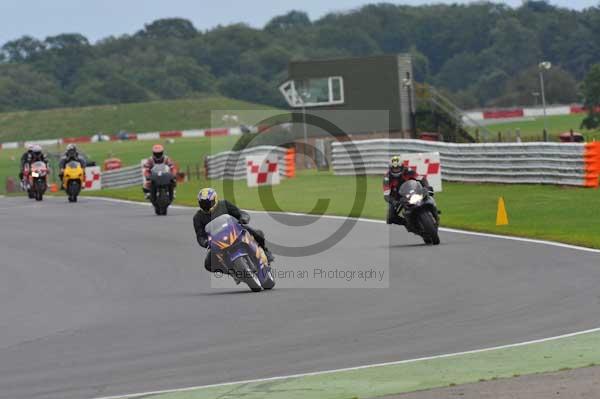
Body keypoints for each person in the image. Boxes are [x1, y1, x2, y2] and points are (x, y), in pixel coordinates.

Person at [193, 188, 274, 280]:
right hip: (217, 242)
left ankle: (266, 253)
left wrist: (243, 218)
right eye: (203, 204)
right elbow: (200, 236)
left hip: (235, 231)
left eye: (208, 203)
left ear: (215, 199)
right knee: (208, 264)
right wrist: (205, 242)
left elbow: (239, 213)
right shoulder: (198, 218)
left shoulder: (224, 204)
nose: (206, 206)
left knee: (257, 233)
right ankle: (233, 272)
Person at [383, 155, 433, 226]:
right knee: (390, 218)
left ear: (402, 167)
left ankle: (432, 207)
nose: (396, 170)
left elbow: (421, 178)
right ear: (390, 168)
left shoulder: (408, 170)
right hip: (397, 194)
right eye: (394, 169)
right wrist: (394, 201)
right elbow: (386, 195)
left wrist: (426, 187)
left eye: (398, 168)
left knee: (429, 191)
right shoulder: (387, 178)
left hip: (412, 188)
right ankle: (407, 224)